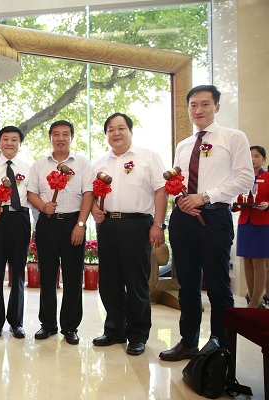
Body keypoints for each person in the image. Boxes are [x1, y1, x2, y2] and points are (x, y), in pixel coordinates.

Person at [160, 85, 255, 362]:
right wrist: (180, 199)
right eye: (193, 105)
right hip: (183, 219)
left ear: (217, 107)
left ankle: (220, 349)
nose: (198, 110)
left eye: (204, 104)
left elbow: (245, 178)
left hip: (214, 217)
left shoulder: (233, 137)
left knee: (217, 286)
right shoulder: (183, 145)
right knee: (187, 285)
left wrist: (205, 196)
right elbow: (177, 182)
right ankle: (188, 342)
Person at [91, 113, 167, 356]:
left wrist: (158, 224)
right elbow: (92, 195)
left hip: (137, 225)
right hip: (107, 226)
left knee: (136, 283)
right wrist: (94, 209)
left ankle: (138, 335)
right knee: (109, 282)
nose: (116, 133)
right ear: (106, 135)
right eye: (111, 129)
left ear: (131, 131)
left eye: (121, 128)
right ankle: (115, 330)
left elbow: (161, 191)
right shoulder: (99, 163)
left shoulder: (148, 157)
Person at [26, 120, 94, 344]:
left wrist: (80, 225)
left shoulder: (82, 163)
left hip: (73, 223)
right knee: (47, 276)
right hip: (47, 224)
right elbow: (31, 193)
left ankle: (70, 327)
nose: (61, 138)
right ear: (50, 138)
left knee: (73, 277)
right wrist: (43, 206)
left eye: (66, 134)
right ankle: (47, 324)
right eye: (56, 134)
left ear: (72, 138)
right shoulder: (39, 164)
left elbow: (88, 194)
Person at [0, 126, 32, 339]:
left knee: (18, 272)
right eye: (6, 139)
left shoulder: (28, 168)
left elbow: (32, 196)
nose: (10, 143)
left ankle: (16, 322)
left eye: (14, 139)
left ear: (20, 144)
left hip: (20, 219)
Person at [232, 146, 269, 308]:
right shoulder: (242, 179)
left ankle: (255, 302)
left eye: (257, 156)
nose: (253, 159)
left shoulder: (267, 177)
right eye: (250, 156)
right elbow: (236, 202)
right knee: (247, 261)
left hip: (262, 224)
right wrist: (233, 204)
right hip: (244, 223)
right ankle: (253, 299)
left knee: (259, 263)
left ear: (264, 159)